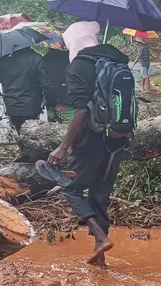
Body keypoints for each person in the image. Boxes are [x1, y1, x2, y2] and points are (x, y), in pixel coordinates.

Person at [49, 21, 130, 267]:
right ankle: (100, 258)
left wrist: (63, 146)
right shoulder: (117, 61)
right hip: (117, 138)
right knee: (100, 195)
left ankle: (100, 235)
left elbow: (81, 112)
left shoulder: (78, 67)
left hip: (89, 141)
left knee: (70, 188)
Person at [0, 46, 46, 132]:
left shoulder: (4, 60)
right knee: (33, 134)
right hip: (32, 105)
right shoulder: (36, 58)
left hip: (12, 105)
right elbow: (44, 82)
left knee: (18, 131)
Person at [38, 48, 71, 123]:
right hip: (68, 103)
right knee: (69, 131)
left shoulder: (45, 59)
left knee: (51, 131)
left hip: (51, 102)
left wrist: (52, 101)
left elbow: (44, 83)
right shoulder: (72, 58)